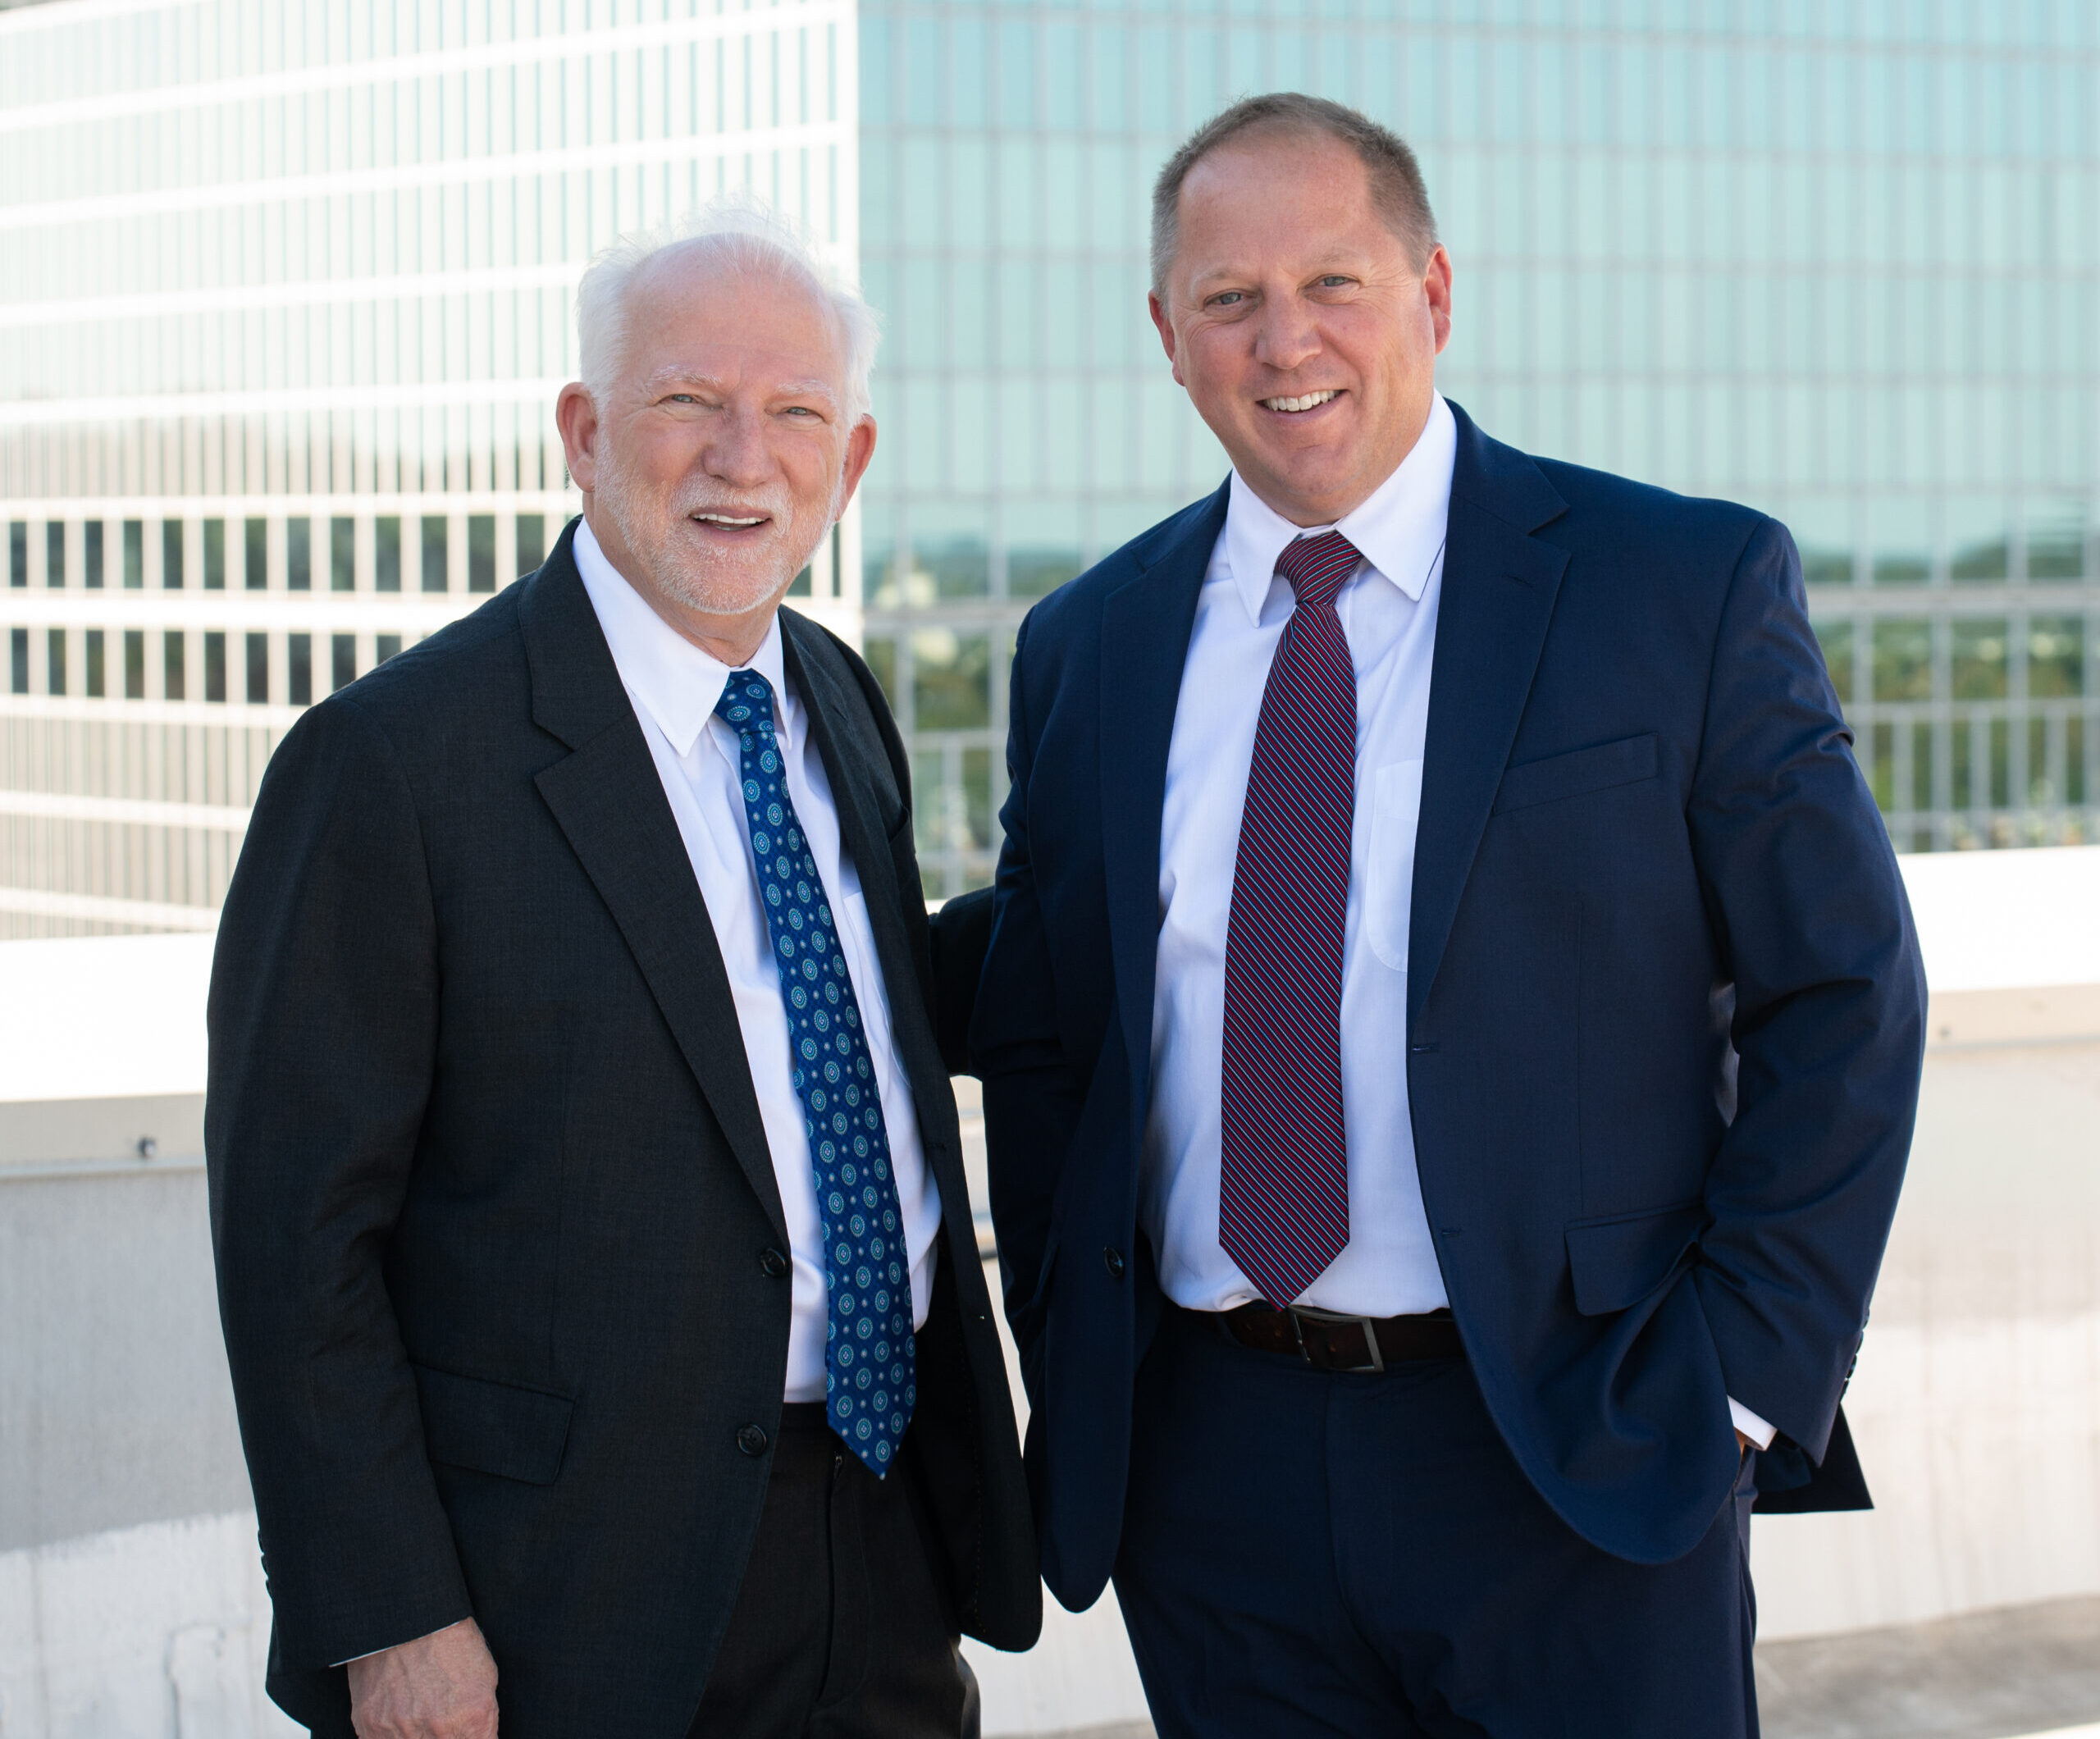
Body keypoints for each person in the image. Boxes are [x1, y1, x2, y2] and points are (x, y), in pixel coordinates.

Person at [971, 94, 1924, 1738]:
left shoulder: (1671, 587)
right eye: (1227, 299)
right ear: (1165, 335)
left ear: (1432, 292)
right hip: (1213, 1477)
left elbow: (1841, 991)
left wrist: (1743, 1385)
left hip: (1574, 1451)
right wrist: (1080, 1361)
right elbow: (1054, 1029)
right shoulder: (1088, 644)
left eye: (1332, 282)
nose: (1285, 340)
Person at [207, 204, 1039, 1739]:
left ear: (847, 466)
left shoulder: (835, 701)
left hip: (883, 1521)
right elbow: (294, 1240)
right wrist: (392, 1618)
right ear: (584, 434)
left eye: (796, 414)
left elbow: (852, 1012)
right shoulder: (392, 763)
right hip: (562, 1594)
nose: (744, 456)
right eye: (686, 403)